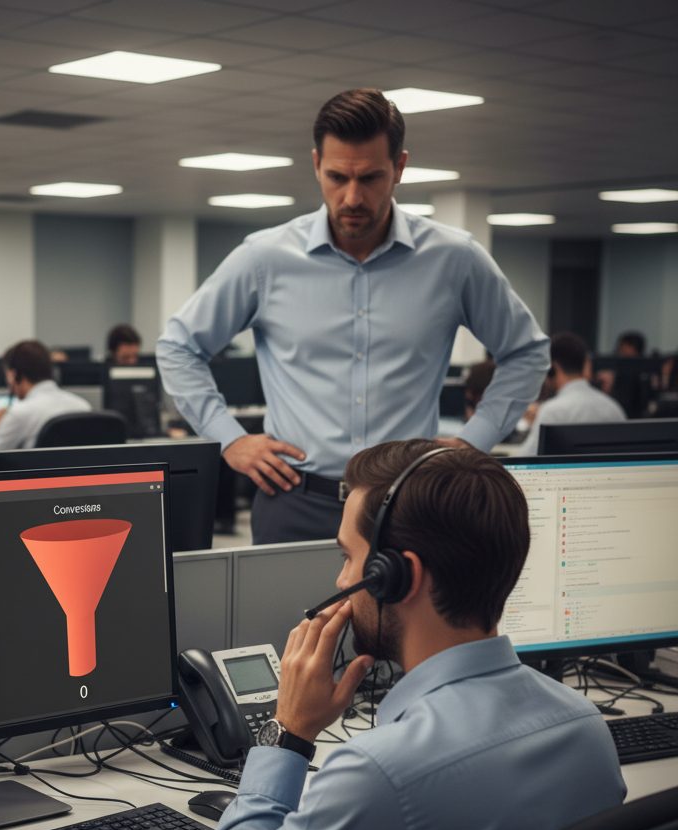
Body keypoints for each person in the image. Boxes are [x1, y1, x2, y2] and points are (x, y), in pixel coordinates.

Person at [197, 439, 625, 830]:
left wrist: (289, 734)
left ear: (399, 576)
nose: (341, 577)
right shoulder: (585, 729)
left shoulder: (384, 773)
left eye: (349, 557)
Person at [157, 88, 549, 545]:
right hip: (293, 504)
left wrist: (472, 441)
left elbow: (527, 352)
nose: (352, 197)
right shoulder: (264, 259)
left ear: (400, 167)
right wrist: (229, 439)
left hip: (407, 506)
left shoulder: (454, 259)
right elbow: (178, 347)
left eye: (371, 178)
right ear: (316, 164)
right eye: (337, 176)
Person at [0, 340, 90, 473]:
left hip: (35, 491)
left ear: (13, 375)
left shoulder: (20, 413)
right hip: (77, 491)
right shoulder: (82, 406)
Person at [516, 332, 625, 456]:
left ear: (552, 367)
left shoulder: (553, 410)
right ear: (585, 364)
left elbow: (525, 458)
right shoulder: (613, 408)